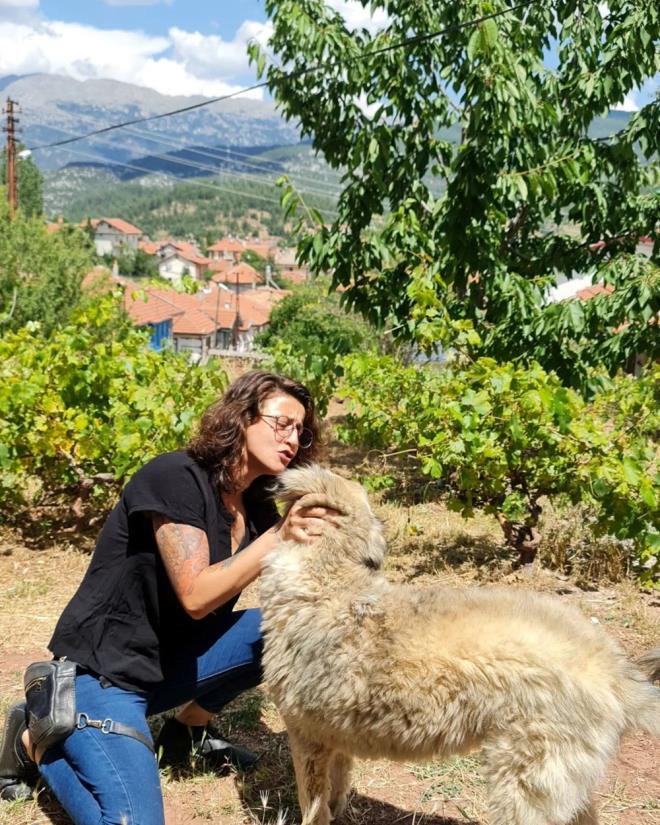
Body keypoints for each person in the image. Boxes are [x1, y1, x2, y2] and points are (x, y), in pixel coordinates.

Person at [0, 371, 336, 824]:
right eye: (282, 423)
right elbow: (197, 595)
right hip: (104, 675)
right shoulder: (175, 476)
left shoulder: (253, 504)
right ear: (241, 418)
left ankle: (186, 734)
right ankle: (36, 739)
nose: (293, 437)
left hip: (170, 664)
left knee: (283, 628)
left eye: (301, 429)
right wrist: (277, 537)